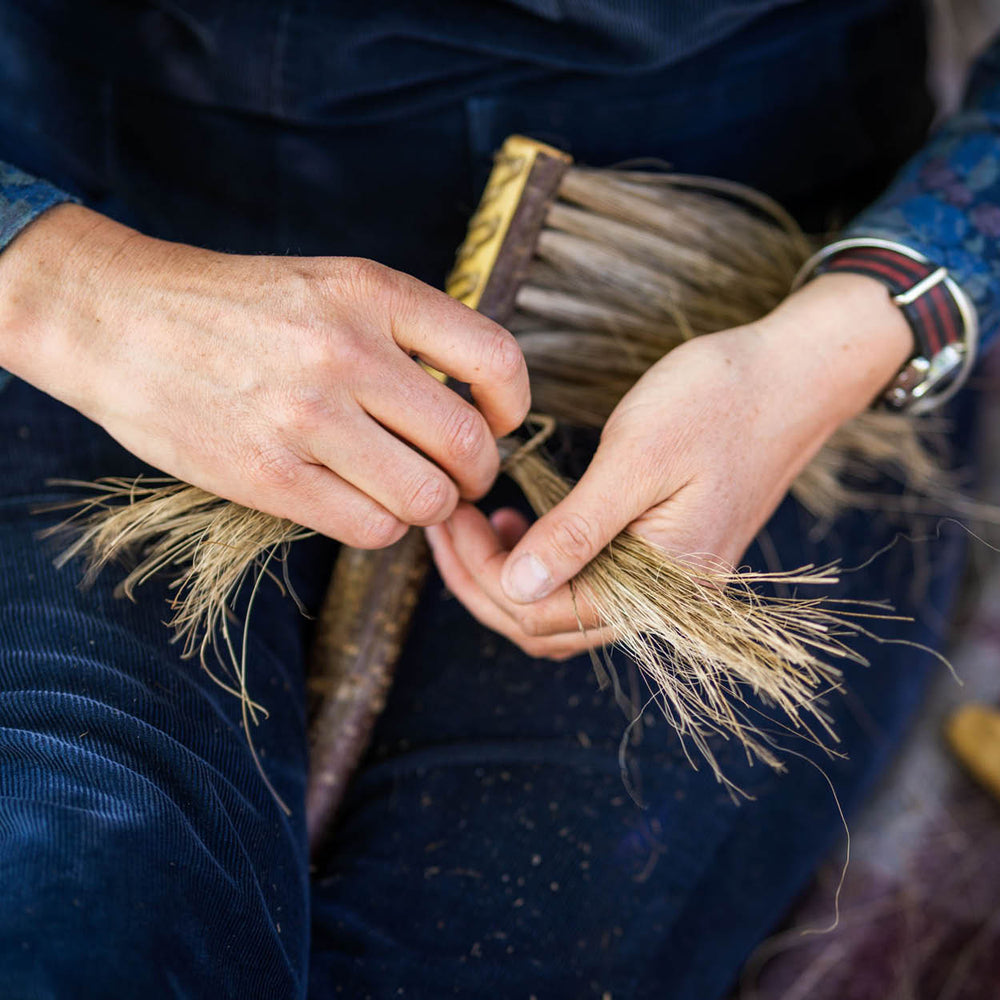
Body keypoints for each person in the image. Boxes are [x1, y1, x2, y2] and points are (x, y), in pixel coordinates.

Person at [0, 1, 994, 996]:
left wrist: (851, 333)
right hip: (101, 254)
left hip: (718, 294)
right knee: (76, 897)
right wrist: (64, 293)